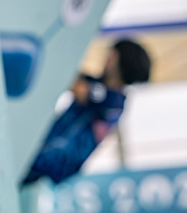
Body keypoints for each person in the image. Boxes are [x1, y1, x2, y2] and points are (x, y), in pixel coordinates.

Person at [21, 39, 152, 187]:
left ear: (121, 63)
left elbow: (81, 89)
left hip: (56, 157)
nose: (107, 58)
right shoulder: (100, 86)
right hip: (49, 153)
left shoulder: (114, 102)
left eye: (112, 55)